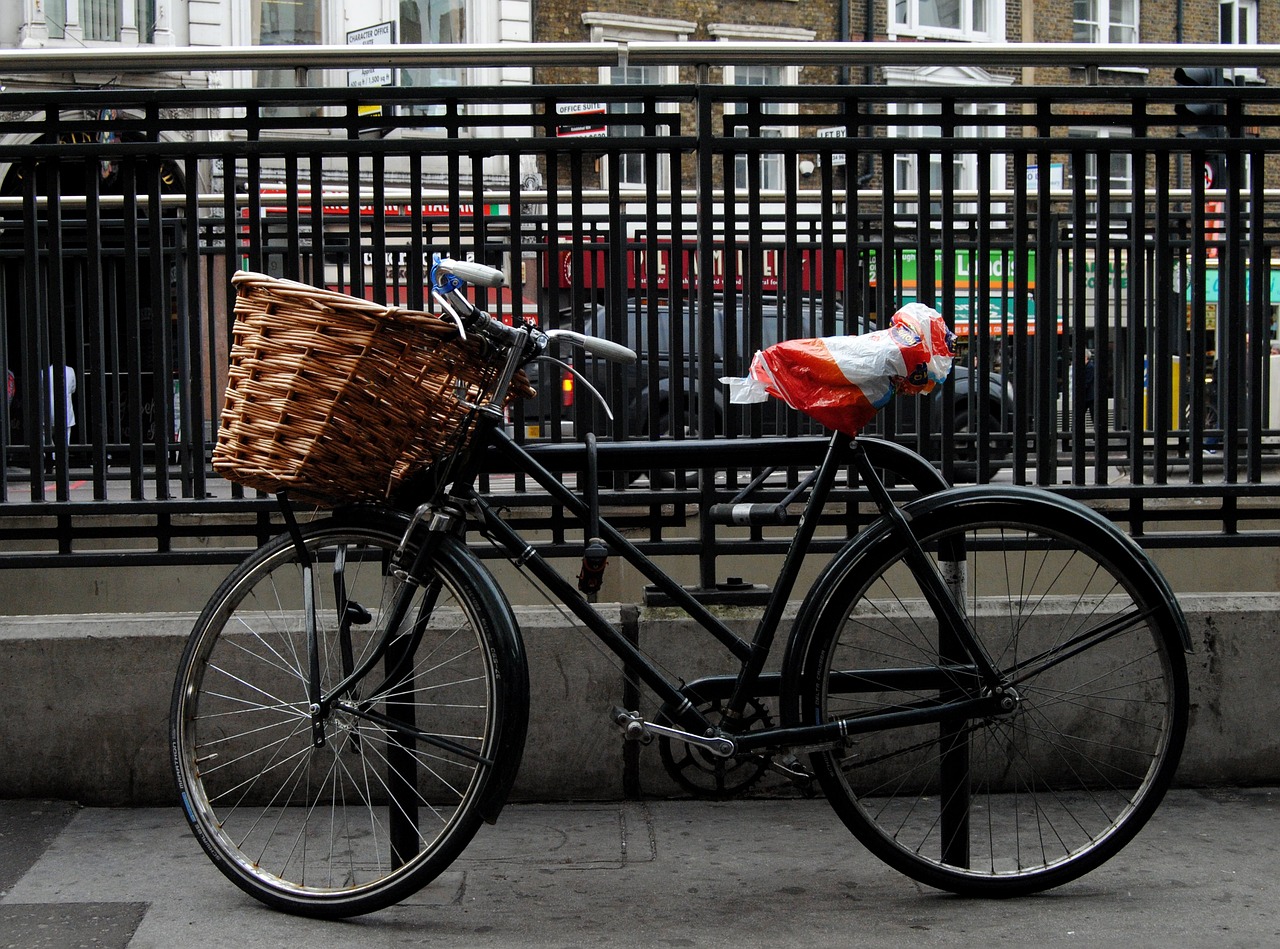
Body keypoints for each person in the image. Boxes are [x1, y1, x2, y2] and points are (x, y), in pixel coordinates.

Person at [44, 363, 77, 448]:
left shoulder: (44, 372)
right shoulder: (70, 371)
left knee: (46, 435)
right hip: (66, 409)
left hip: (48, 409)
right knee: (65, 436)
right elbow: (73, 389)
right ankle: (62, 454)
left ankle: (51, 455)